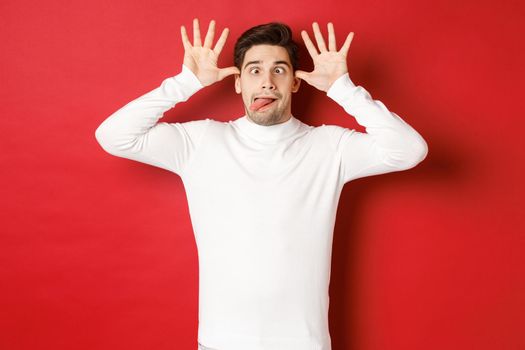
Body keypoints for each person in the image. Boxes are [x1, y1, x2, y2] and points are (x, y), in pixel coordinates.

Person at [95, 18, 428, 350]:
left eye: (279, 70)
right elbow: (114, 136)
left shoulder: (330, 147)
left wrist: (343, 89)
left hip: (305, 344)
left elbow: (409, 151)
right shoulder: (201, 141)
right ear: (238, 82)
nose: (267, 82)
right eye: (254, 70)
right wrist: (184, 83)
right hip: (220, 342)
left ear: (295, 83)